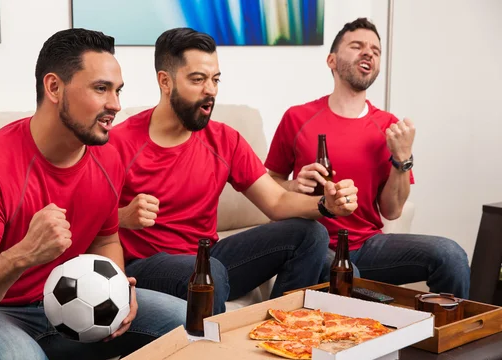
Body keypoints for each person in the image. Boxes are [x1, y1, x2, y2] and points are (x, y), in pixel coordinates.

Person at [0, 29, 186, 360]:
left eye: (118, 90)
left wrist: (117, 287)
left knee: (185, 322)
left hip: (63, 304)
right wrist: (25, 254)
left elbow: (106, 238)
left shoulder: (108, 156)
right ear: (54, 88)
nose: (115, 104)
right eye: (100, 89)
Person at [111, 27, 359, 315]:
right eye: (198, 79)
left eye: (215, 79)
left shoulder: (224, 139)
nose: (210, 90)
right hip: (149, 265)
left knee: (310, 234)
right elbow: (84, 221)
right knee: (209, 272)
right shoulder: (120, 143)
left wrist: (326, 205)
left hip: (209, 259)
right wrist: (123, 217)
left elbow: (277, 202)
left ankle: (282, 330)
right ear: (165, 82)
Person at [265, 18, 470, 298]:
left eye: (375, 50)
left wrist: (402, 159)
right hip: (315, 245)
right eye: (357, 46)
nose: (368, 53)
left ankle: (447, 339)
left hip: (368, 246)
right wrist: (293, 185)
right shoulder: (297, 117)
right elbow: (270, 182)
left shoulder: (388, 126)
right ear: (332, 61)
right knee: (350, 279)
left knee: (451, 255)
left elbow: (392, 211)